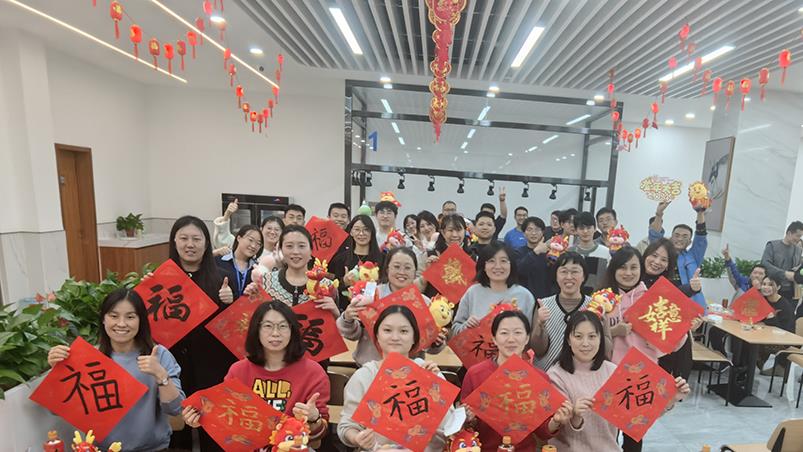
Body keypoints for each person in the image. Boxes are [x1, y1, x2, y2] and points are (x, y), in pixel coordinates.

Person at [48, 289, 185, 451]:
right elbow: (57, 410)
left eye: (130, 317)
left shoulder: (158, 355)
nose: (121, 323)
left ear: (141, 321)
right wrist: (58, 370)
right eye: (114, 316)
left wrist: (161, 376)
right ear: (103, 319)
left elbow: (176, 409)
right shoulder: (89, 357)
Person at [182, 301, 330, 449]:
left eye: (283, 326)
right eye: (268, 326)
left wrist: (314, 418)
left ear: (293, 331)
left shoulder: (313, 372)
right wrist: (201, 420)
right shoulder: (238, 371)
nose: (275, 333)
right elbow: (227, 419)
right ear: (256, 330)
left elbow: (317, 440)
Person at [547, 311, 690, 451]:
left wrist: (671, 399)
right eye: (578, 336)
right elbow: (551, 428)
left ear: (600, 339)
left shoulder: (613, 371)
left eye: (592, 336)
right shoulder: (556, 375)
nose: (585, 343)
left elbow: (640, 415)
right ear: (568, 340)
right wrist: (575, 416)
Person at [338, 305, 458, 451]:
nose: (395, 337)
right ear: (377, 336)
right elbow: (347, 426)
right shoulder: (364, 376)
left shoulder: (428, 371)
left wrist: (434, 390)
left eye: (404, 331)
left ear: (414, 338)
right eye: (387, 330)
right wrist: (357, 438)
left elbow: (449, 428)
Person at [165, 216, 235, 451]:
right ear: (174, 242)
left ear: (206, 243)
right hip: (174, 364)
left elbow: (235, 328)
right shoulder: (162, 279)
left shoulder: (223, 277)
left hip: (213, 366)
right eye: (184, 238)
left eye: (196, 239)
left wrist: (230, 301)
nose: (190, 244)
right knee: (178, 430)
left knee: (213, 429)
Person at [462, 310, 571, 451]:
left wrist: (556, 421)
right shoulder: (475, 374)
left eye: (518, 332)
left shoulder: (538, 377)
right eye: (504, 333)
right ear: (494, 338)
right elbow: (465, 427)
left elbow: (543, 432)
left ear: (527, 338)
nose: (511, 339)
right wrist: (467, 419)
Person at [337, 247, 446, 365]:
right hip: (370, 367)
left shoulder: (425, 303)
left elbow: (429, 347)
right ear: (387, 269)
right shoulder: (370, 295)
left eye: (408, 268)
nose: (402, 272)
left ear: (415, 271)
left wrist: (436, 342)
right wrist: (347, 318)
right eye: (396, 266)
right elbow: (353, 335)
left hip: (408, 369)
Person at [530, 252, 612, 371]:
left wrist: (601, 328)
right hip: (546, 375)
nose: (569, 277)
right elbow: (538, 350)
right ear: (556, 276)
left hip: (583, 376)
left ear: (584, 276)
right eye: (563, 272)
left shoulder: (596, 306)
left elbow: (607, 350)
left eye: (574, 272)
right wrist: (540, 325)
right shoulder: (543, 305)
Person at [641, 238, 702, 380]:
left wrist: (690, 324)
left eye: (664, 259)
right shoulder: (633, 280)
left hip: (664, 355)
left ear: (669, 265)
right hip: (636, 350)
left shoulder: (668, 287)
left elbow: (677, 295)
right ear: (645, 255)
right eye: (654, 255)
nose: (657, 262)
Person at [249, 226, 340, 319]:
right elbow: (253, 320)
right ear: (281, 250)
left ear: (311, 250)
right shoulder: (265, 282)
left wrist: (336, 314)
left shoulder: (327, 286)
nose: (296, 252)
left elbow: (334, 325)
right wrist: (249, 297)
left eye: (301, 246)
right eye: (289, 246)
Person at [452, 242, 536, 335]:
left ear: (511, 265)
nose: (498, 266)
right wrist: (466, 326)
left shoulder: (525, 296)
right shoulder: (472, 292)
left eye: (503, 261)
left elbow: (531, 334)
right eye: (491, 261)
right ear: (484, 266)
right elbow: (455, 329)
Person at [648, 200, 707, 308]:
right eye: (677, 235)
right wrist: (659, 213)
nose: (680, 239)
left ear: (689, 242)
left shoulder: (693, 256)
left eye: (685, 237)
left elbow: (701, 238)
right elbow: (655, 236)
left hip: (689, 304)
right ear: (671, 238)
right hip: (664, 302)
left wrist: (700, 213)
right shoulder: (662, 254)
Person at [330, 215, 383, 308]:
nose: (361, 233)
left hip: (375, 309)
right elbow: (332, 290)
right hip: (347, 310)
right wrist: (344, 282)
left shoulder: (382, 258)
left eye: (366, 229)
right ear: (351, 232)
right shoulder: (341, 259)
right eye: (357, 229)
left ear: (372, 232)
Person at [757, 273, 797, 375]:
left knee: (753, 345)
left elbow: (785, 331)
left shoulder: (785, 306)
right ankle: (745, 367)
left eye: (771, 285)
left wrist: (772, 319)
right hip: (765, 335)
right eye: (764, 284)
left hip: (784, 341)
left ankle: (752, 366)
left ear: (778, 287)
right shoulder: (762, 300)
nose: (766, 287)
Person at [215, 225, 262, 299]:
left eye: (258, 243)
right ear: (239, 238)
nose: (253, 246)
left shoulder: (257, 269)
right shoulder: (219, 261)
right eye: (250, 240)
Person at [761, 221, 803, 301]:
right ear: (789, 233)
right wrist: (785, 274)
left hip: (790, 293)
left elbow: (798, 268)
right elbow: (765, 265)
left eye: (800, 236)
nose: (799, 239)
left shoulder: (798, 250)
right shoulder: (772, 246)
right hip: (771, 289)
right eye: (797, 236)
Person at [568, 212, 609, 293]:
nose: (585, 231)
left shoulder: (605, 252)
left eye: (589, 228)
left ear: (595, 228)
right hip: (573, 296)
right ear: (576, 230)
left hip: (598, 297)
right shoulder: (570, 252)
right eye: (581, 228)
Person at [515, 216, 554, 299]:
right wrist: (535, 252)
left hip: (546, 299)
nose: (533, 233)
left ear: (543, 232)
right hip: (524, 298)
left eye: (537, 229)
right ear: (524, 233)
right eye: (529, 230)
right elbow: (519, 270)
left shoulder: (550, 253)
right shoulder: (518, 252)